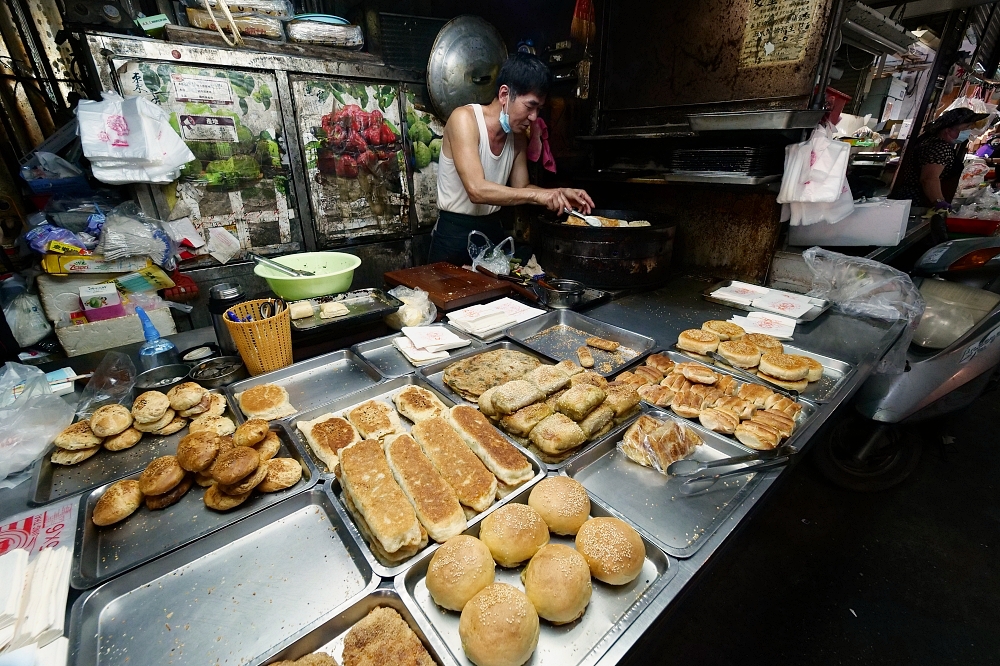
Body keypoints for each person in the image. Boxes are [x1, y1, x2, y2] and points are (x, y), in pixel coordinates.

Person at [427, 53, 595, 265]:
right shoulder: (465, 120)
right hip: (454, 233)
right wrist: (537, 196)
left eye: (538, 109)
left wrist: (558, 193)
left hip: (492, 231)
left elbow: (522, 186)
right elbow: (476, 190)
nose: (534, 117)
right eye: (529, 106)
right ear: (505, 94)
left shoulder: (517, 138)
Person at [890, 107, 989, 210]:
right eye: (966, 128)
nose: (969, 131)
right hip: (917, 202)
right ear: (948, 130)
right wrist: (939, 202)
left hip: (906, 197)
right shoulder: (939, 147)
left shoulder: (928, 140)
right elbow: (929, 179)